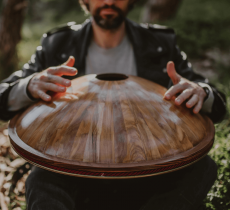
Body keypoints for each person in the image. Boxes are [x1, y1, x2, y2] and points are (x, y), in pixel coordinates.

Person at [0, 0, 226, 209]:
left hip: (148, 173)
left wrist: (200, 92)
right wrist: (28, 86)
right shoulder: (57, 44)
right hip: (76, 173)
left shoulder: (159, 43)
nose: (109, 1)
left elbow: (217, 104)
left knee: (203, 168)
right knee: (41, 180)